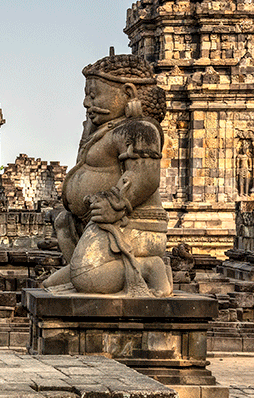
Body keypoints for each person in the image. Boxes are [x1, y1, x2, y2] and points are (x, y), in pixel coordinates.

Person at [42, 50, 172, 296]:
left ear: (128, 94)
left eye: (94, 95)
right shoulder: (109, 129)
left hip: (131, 223)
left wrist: (117, 203)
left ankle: (149, 267)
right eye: (86, 96)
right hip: (93, 222)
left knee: (86, 278)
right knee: (53, 282)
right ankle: (90, 270)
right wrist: (90, 126)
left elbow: (145, 177)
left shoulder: (141, 129)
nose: (86, 103)